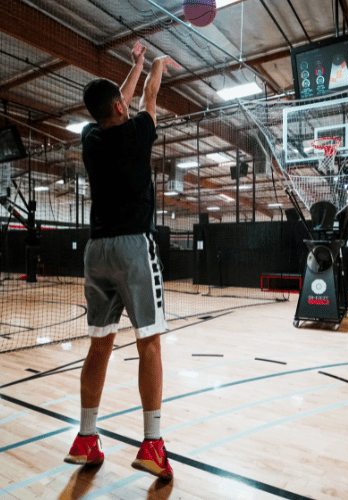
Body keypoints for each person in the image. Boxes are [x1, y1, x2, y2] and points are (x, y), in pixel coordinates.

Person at [64, 41, 180, 481]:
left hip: (97, 251)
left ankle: (86, 437)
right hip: (133, 245)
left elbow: (122, 99)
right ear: (119, 105)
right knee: (148, 339)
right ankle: (151, 444)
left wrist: (132, 66)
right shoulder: (138, 133)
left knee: (100, 343)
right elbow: (147, 98)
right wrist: (154, 67)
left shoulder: (90, 137)